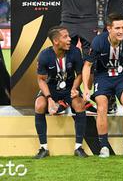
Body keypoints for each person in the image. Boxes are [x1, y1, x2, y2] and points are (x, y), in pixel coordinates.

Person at [82, 13, 123, 158]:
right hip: (103, 77)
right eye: (117, 28)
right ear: (109, 28)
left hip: (122, 77)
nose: (121, 31)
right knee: (102, 107)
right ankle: (104, 147)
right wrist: (86, 88)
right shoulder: (98, 41)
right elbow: (87, 66)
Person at [34, 26, 87, 159]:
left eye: (69, 36)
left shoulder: (75, 52)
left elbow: (80, 74)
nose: (69, 39)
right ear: (56, 41)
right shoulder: (45, 55)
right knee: (39, 105)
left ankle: (78, 147)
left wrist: (75, 88)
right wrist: (49, 98)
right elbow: (41, 80)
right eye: (65, 37)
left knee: (80, 105)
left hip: (69, 88)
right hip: (51, 89)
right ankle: (43, 148)